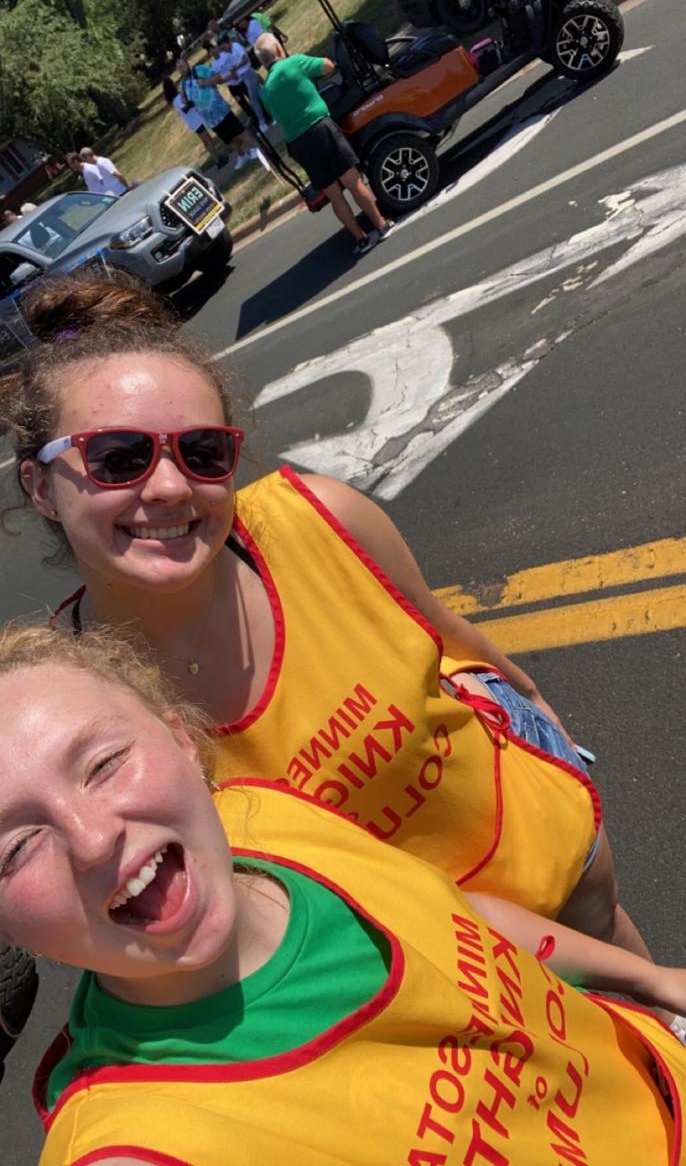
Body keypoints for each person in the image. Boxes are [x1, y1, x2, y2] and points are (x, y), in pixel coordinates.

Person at [0, 272, 665, 975]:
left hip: (539, 844)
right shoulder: (64, 703)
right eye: (117, 458)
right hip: (410, 980)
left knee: (645, 1000)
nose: (169, 486)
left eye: (203, 452)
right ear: (40, 487)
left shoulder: (319, 519)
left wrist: (536, 710)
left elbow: (449, 635)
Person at [1, 620, 686, 1165]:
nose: (93, 839)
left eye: (105, 763)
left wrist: (652, 981)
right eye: (17, 847)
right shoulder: (138, 1139)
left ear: (181, 739)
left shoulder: (268, 819)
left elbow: (449, 913)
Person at [255, 32, 393, 257]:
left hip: (298, 144)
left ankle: (361, 239)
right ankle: (381, 224)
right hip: (321, 130)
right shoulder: (294, 63)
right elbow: (328, 66)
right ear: (279, 49)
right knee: (353, 181)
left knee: (335, 195)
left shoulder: (266, 91)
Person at [176, 57, 265, 173]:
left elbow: (218, 78)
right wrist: (182, 96)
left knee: (239, 131)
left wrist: (205, 82)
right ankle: (242, 155)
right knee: (228, 139)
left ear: (187, 64)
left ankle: (254, 148)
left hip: (221, 110)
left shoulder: (199, 70)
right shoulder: (183, 84)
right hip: (210, 119)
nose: (182, 70)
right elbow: (185, 102)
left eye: (182, 66)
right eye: (179, 68)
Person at [202, 34, 270, 133]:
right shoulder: (214, 65)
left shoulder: (225, 53)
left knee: (254, 97)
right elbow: (219, 81)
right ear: (210, 54)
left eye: (214, 49)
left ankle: (267, 116)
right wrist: (230, 77)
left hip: (242, 79)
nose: (214, 52)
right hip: (233, 86)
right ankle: (257, 126)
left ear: (216, 48)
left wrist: (235, 70)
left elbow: (236, 60)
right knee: (245, 106)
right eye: (211, 52)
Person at [161, 75, 228, 168]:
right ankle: (218, 160)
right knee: (208, 140)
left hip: (194, 122)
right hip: (195, 121)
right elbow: (185, 109)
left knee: (207, 140)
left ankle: (217, 157)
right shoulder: (177, 98)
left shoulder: (174, 99)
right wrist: (191, 103)